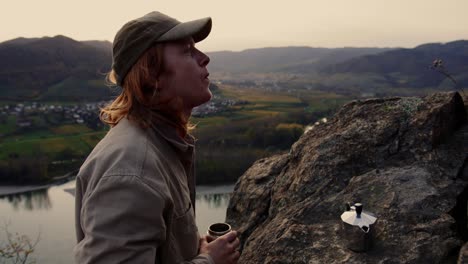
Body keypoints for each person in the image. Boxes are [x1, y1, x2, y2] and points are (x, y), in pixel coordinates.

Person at [74, 11, 240, 264]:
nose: (205, 58)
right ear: (151, 75)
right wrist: (209, 261)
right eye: (186, 51)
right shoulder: (131, 172)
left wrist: (194, 249)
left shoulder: (161, 144)